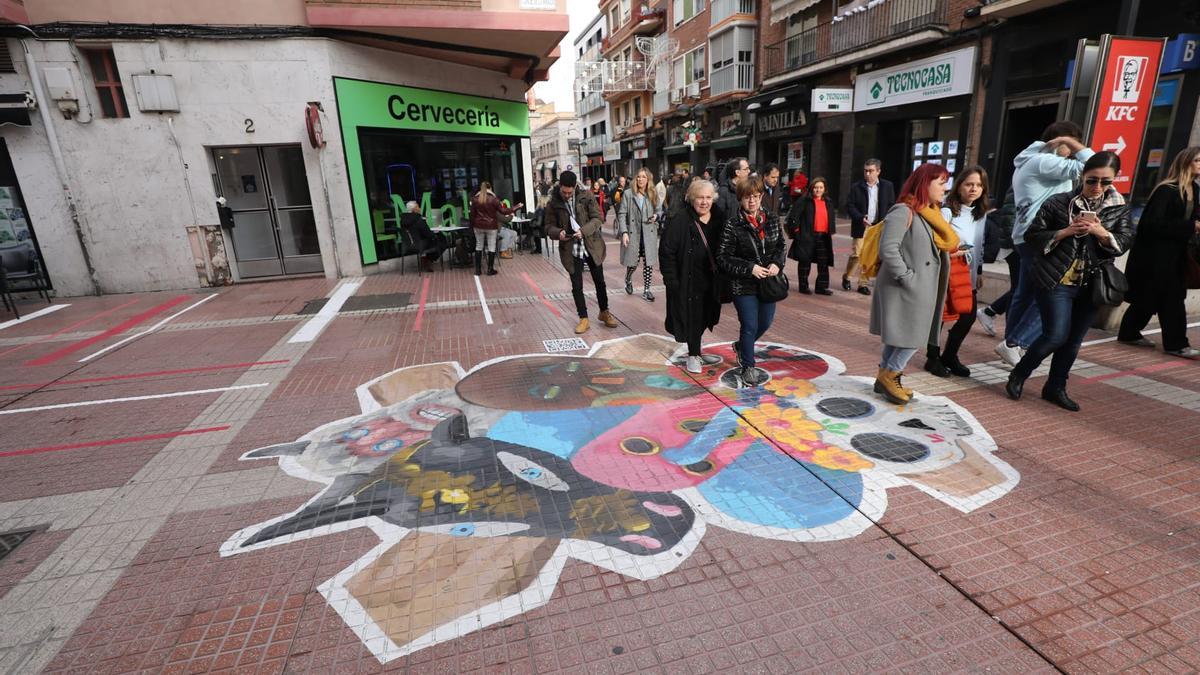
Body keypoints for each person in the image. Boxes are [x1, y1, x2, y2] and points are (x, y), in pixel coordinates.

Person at [1005, 152, 1133, 411]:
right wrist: (1065, 231)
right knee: (1055, 335)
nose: (1097, 187)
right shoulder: (1059, 202)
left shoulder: (1119, 207)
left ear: (1114, 180)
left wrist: (1102, 233)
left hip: (1092, 282)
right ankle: (1019, 374)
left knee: (1073, 341)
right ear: (1082, 177)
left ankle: (1055, 387)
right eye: (1092, 180)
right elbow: (1033, 236)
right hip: (1057, 279)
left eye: (1105, 182)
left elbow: (1124, 242)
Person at [997, 121, 1094, 366]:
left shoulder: (1031, 159)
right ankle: (1016, 342)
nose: (1073, 149)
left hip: (1029, 234)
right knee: (1054, 293)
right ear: (1057, 141)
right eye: (1070, 143)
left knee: (1026, 292)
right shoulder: (1044, 161)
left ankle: (1011, 344)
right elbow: (1091, 166)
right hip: (1043, 234)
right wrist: (1072, 143)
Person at [869, 163, 957, 405]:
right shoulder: (903, 211)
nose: (945, 188)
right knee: (913, 337)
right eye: (940, 183)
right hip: (905, 286)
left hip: (921, 286)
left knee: (901, 335)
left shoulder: (929, 213)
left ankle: (883, 376)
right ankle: (892, 375)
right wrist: (908, 277)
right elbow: (888, 249)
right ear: (924, 183)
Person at [1119, 146, 1200, 358]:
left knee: (1150, 296)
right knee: (1172, 298)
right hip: (1155, 255)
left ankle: (1128, 332)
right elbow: (1150, 224)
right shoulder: (1167, 190)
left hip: (1178, 255)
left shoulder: (1195, 189)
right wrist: (1191, 227)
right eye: (1197, 160)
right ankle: (1176, 344)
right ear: (1185, 163)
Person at [716, 174, 786, 386]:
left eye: (756, 196)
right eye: (747, 197)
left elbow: (781, 246)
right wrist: (750, 268)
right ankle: (748, 365)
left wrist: (777, 263)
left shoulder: (772, 219)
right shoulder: (732, 224)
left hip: (768, 284)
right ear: (740, 198)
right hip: (743, 284)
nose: (752, 201)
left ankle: (741, 346)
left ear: (761, 196)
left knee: (764, 323)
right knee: (749, 325)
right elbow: (723, 257)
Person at [926, 166, 990, 377]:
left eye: (979, 185)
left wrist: (978, 270)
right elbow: (937, 243)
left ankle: (950, 355)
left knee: (968, 316)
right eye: (969, 184)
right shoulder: (947, 211)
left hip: (968, 273)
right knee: (940, 317)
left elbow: (979, 245)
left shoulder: (980, 215)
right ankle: (932, 358)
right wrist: (953, 253)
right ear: (959, 186)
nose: (974, 189)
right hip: (948, 271)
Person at [543, 171, 618, 334]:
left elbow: (598, 218)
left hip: (591, 244)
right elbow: (548, 226)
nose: (567, 195)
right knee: (577, 285)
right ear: (559, 187)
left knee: (600, 281)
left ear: (575, 186)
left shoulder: (587, 196)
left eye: (570, 192)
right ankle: (583, 318)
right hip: (571, 248)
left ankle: (604, 312)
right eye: (564, 192)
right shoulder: (553, 203)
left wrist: (583, 231)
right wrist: (558, 233)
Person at [661, 179, 723, 374]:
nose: (704, 202)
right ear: (691, 199)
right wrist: (672, 281)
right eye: (700, 198)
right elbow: (667, 252)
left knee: (707, 315)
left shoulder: (719, 217)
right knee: (692, 317)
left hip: (711, 279)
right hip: (687, 279)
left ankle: (697, 351)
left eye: (708, 197)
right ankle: (693, 355)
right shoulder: (679, 220)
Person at [845, 159, 896, 296]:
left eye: (871, 171)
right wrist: (860, 217)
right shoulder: (857, 187)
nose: (868, 174)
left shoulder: (887, 186)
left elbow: (891, 204)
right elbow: (849, 206)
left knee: (869, 256)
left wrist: (887, 220)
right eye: (866, 171)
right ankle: (847, 276)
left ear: (878, 171)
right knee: (857, 254)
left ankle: (863, 283)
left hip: (878, 226)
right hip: (862, 225)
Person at [976, 187, 1017, 337]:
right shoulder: (1027, 176)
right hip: (1017, 246)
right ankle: (1011, 337)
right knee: (1020, 289)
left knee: (1022, 288)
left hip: (1015, 246)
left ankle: (990, 311)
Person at [787, 176, 836, 295]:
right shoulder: (804, 200)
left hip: (823, 236)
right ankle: (803, 286)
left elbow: (831, 217)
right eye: (816, 187)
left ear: (824, 189)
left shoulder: (828, 202)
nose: (818, 190)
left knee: (823, 262)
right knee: (805, 261)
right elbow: (794, 217)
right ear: (812, 188)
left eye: (821, 187)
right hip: (807, 236)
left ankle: (821, 287)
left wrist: (831, 230)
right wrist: (797, 233)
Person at [619, 167, 662, 303]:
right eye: (638, 176)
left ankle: (647, 290)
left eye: (643, 177)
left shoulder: (653, 193)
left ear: (648, 179)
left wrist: (656, 216)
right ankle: (628, 278)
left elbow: (660, 210)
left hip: (649, 233)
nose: (640, 179)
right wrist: (624, 232)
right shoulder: (628, 194)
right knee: (633, 262)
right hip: (634, 233)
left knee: (648, 263)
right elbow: (621, 214)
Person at [469, 181, 521, 276]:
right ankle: (490, 270)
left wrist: (472, 226)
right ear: (490, 189)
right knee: (491, 246)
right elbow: (504, 211)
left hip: (478, 226)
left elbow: (472, 215)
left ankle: (478, 270)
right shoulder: (494, 199)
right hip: (491, 226)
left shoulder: (475, 199)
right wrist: (516, 207)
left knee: (479, 246)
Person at [398, 201, 445, 273]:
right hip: (420, 244)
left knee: (434, 239)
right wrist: (435, 234)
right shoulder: (418, 220)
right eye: (417, 207)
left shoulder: (403, 220)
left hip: (407, 245)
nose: (419, 208)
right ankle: (429, 259)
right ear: (414, 210)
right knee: (442, 241)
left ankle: (426, 259)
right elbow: (428, 233)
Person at [715, 157, 750, 225]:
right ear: (737, 172)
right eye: (746, 169)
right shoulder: (723, 191)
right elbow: (717, 219)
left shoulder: (748, 189)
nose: (749, 171)